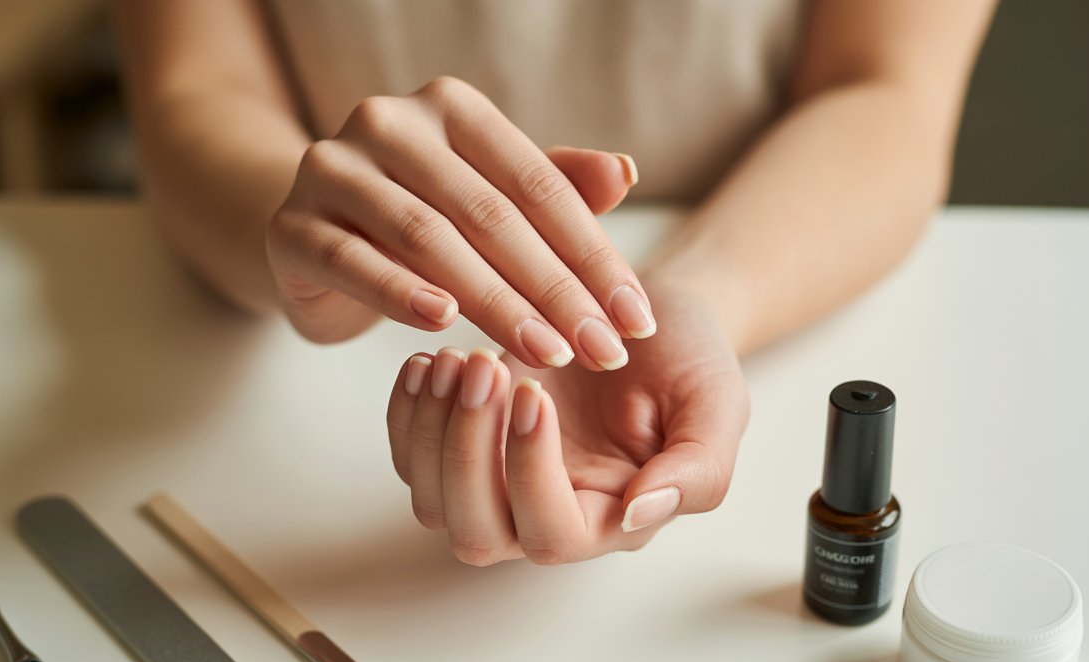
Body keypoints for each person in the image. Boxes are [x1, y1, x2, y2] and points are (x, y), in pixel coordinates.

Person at [113, 0, 995, 565]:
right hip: (301, 351)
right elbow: (195, 89)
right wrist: (310, 245)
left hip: (771, 236)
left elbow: (886, 92)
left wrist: (698, 295)